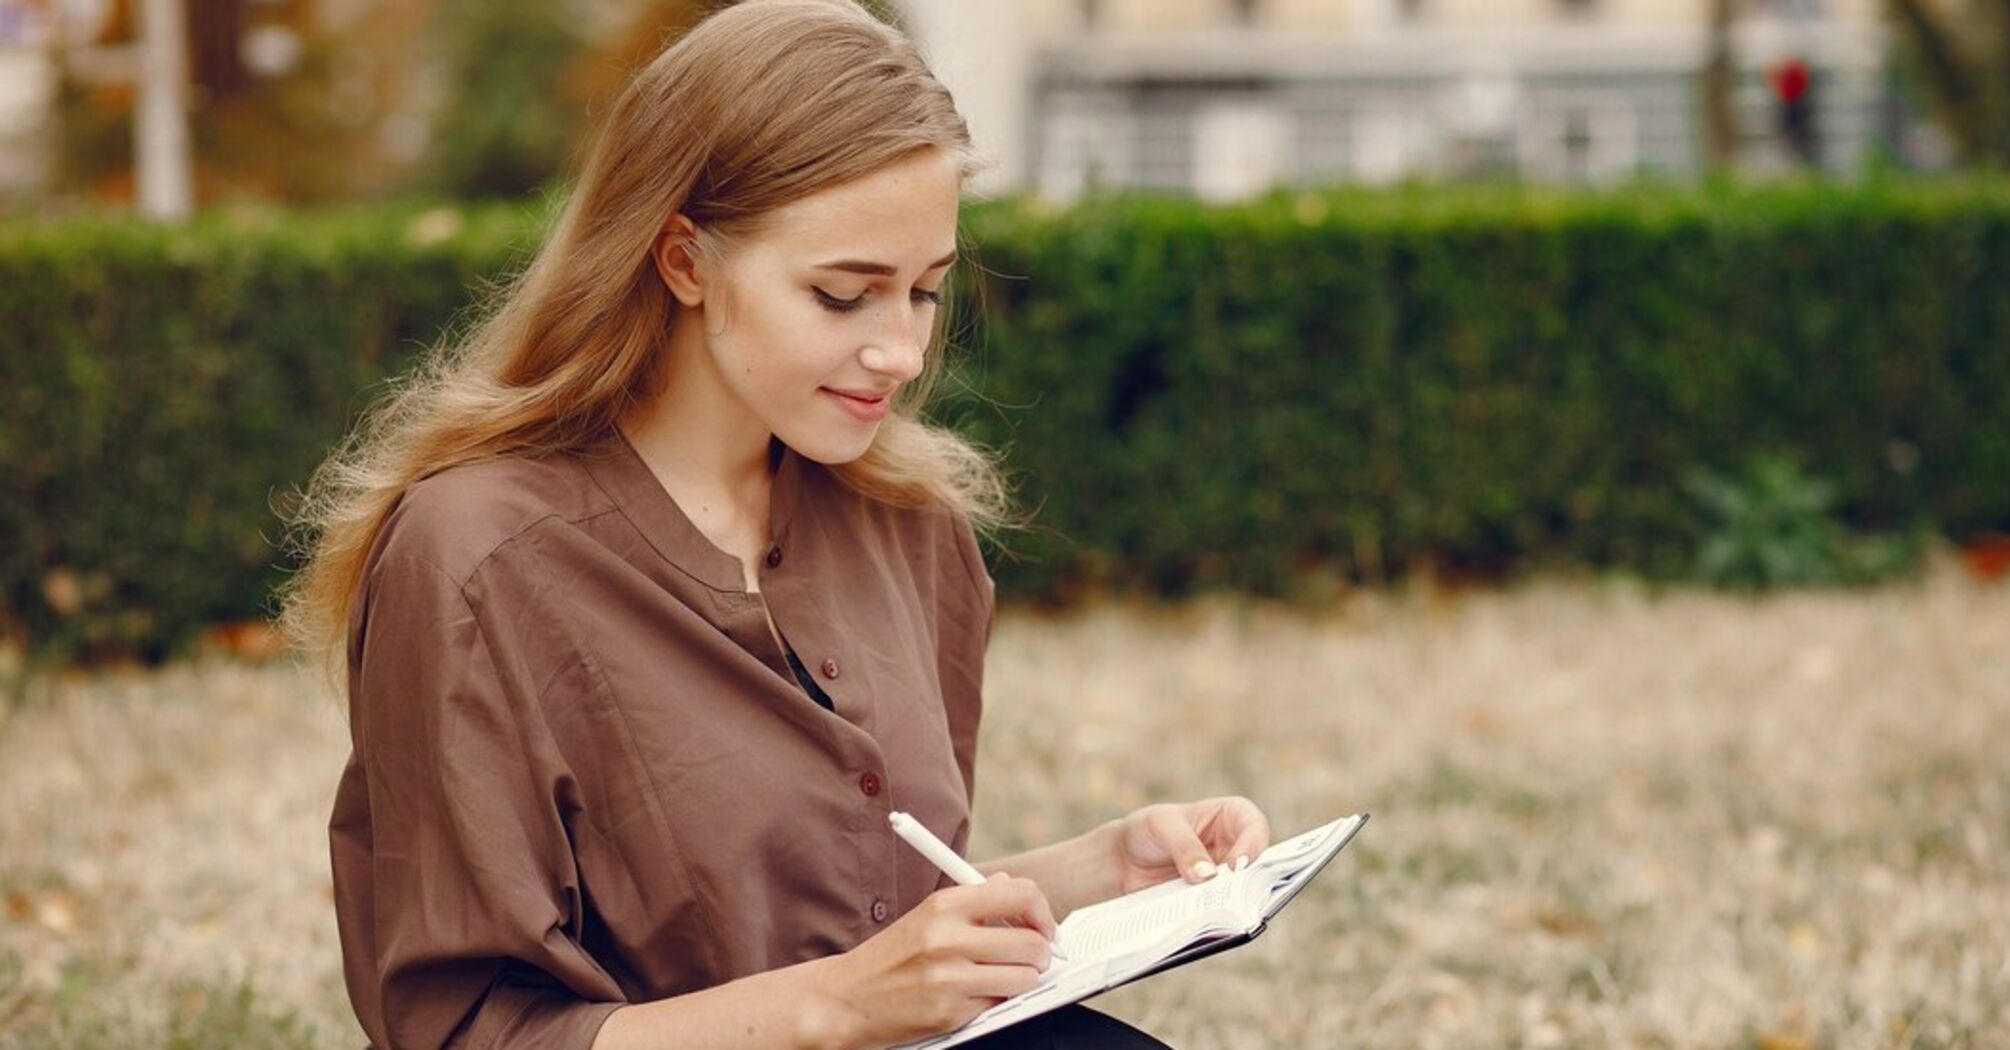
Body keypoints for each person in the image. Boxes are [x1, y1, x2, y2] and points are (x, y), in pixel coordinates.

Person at [276, 2, 1272, 1047]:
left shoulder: (908, 525)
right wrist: (835, 1010)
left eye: (926, 293)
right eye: (845, 295)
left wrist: (1103, 869)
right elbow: (469, 1032)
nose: (900, 351)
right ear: (683, 262)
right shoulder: (476, 557)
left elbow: (869, 915)